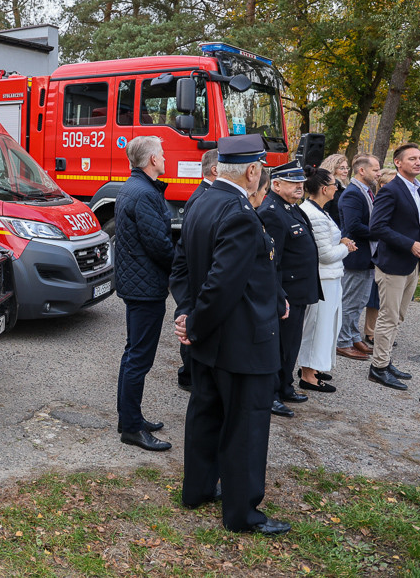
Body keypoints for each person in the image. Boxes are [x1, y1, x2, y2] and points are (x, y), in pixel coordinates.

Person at [170, 134, 291, 536]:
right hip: (240, 342)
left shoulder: (201, 200)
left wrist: (188, 316)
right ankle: (242, 514)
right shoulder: (237, 211)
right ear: (253, 171)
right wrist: (195, 322)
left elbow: (183, 271)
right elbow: (223, 284)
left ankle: (198, 489)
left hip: (210, 340)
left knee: (206, 415)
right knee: (246, 427)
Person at [115, 136, 174, 451]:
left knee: (133, 354)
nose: (164, 158)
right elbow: (160, 245)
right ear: (152, 159)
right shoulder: (145, 194)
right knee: (138, 358)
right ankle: (132, 428)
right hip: (145, 288)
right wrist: (182, 264)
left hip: (137, 285)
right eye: (162, 154)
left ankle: (129, 417)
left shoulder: (133, 187)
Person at [368, 143, 420, 390]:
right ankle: (377, 367)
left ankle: (385, 360)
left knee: (398, 316)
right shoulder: (391, 190)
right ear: (398, 163)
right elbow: (377, 227)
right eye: (412, 158)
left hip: (412, 264)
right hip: (392, 264)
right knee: (388, 316)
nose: (419, 162)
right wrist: (410, 244)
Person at [257, 160, 321, 418]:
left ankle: (284, 386)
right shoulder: (272, 211)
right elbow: (273, 260)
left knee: (291, 343)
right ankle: (270, 394)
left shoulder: (291, 208)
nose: (299, 187)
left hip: (298, 290)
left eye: (301, 183)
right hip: (286, 293)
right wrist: (278, 295)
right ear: (276, 184)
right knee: (279, 345)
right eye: (293, 183)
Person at [297, 167, 357, 391]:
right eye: (335, 185)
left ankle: (313, 366)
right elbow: (325, 255)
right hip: (323, 278)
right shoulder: (314, 214)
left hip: (329, 278)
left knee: (326, 325)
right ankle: (308, 374)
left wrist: (341, 242)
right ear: (324, 189)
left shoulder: (319, 210)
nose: (337, 189)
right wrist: (345, 248)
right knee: (317, 326)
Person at [177, 148, 219, 392]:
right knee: (191, 322)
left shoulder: (205, 194)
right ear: (215, 170)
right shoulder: (201, 197)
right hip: (195, 276)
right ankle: (188, 374)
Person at [336, 154, 382, 360]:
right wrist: (382, 232)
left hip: (367, 256)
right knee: (350, 301)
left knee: (361, 300)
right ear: (361, 171)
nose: (379, 173)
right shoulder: (353, 193)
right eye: (375, 169)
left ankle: (353, 336)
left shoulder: (366, 191)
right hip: (356, 256)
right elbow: (353, 226)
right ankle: (342, 342)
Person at [363, 168, 398, 345]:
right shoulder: (379, 201)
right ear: (383, 185)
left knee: (388, 300)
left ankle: (382, 331)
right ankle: (371, 331)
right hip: (378, 249)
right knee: (376, 297)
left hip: (392, 250)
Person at [320, 153, 350, 225]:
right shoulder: (329, 188)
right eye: (342, 168)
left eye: (347, 168)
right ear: (332, 169)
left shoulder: (344, 187)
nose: (346, 171)